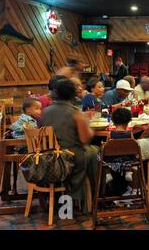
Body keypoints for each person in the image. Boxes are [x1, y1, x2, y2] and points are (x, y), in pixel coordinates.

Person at [42, 78, 99, 212]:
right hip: (70, 157)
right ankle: (91, 197)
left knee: (90, 152)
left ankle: (70, 197)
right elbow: (85, 140)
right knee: (95, 151)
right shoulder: (75, 113)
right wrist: (91, 129)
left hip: (48, 157)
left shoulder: (45, 112)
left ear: (55, 93)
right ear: (73, 94)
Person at [104, 108, 135, 185]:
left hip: (112, 160)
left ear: (113, 122)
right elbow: (133, 145)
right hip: (127, 160)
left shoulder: (110, 134)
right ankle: (128, 171)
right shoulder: (130, 133)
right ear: (128, 122)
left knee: (101, 155)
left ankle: (108, 173)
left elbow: (106, 146)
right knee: (131, 154)